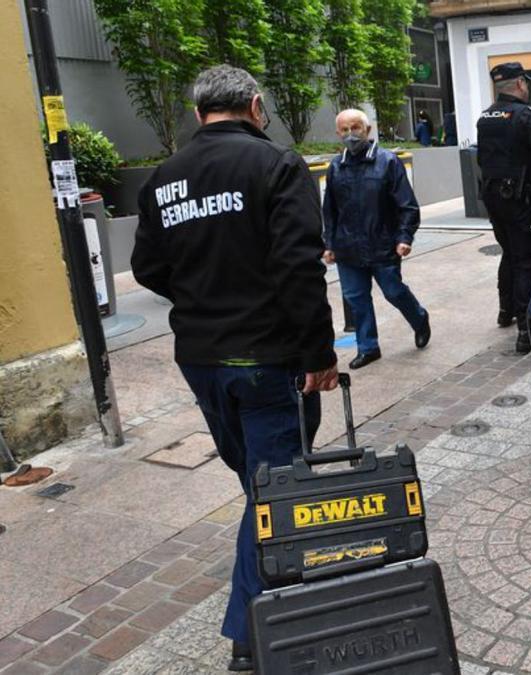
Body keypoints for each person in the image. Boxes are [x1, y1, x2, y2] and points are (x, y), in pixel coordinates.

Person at [131, 64, 338, 672]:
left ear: (198, 114)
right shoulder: (276, 165)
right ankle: (251, 635)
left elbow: (148, 268)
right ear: (254, 106)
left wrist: (203, 294)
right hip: (267, 357)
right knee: (270, 491)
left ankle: (281, 566)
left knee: (257, 481)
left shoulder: (164, 178)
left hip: (202, 358)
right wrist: (318, 354)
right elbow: (300, 266)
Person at [323, 109, 431, 369]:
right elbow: (330, 211)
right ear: (338, 134)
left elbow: (407, 205)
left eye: (356, 128)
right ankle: (368, 347)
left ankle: (419, 319)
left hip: (382, 245)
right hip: (348, 249)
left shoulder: (388, 162)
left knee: (394, 292)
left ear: (368, 130)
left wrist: (404, 237)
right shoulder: (336, 167)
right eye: (345, 130)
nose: (351, 134)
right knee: (357, 299)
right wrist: (329, 244)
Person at [476, 62, 531, 353]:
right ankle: (526, 329)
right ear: (521, 84)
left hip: (493, 199)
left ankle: (506, 310)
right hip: (521, 200)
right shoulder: (527, 116)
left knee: (509, 253)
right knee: (526, 260)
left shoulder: (485, 118)